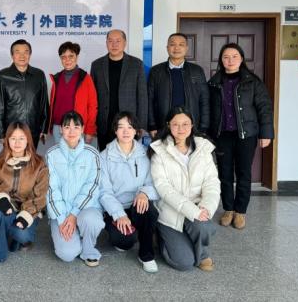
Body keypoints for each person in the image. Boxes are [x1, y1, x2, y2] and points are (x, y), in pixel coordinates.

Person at [208, 43, 274, 230]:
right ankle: (228, 209)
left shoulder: (252, 81)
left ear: (241, 59)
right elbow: (209, 109)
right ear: (221, 60)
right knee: (224, 173)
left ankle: (240, 211)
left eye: (234, 56)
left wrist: (266, 133)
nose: (230, 60)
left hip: (246, 135)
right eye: (226, 57)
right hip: (222, 135)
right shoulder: (213, 83)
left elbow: (264, 107)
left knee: (244, 172)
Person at [149, 107, 220, 272]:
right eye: (175, 124)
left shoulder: (203, 148)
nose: (180, 129)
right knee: (184, 263)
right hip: (170, 211)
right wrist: (192, 211)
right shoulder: (159, 151)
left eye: (185, 124)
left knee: (204, 227)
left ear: (192, 125)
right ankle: (161, 237)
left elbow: (211, 183)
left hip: (196, 207)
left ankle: (202, 253)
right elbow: (164, 189)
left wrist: (206, 207)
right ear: (168, 125)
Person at [99, 111, 159, 273]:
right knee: (124, 241)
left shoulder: (145, 153)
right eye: (121, 127)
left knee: (149, 211)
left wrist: (144, 193)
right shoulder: (104, 157)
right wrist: (119, 214)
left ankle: (146, 255)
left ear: (136, 131)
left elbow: (154, 183)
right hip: (115, 208)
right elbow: (104, 192)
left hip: (137, 203)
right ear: (115, 130)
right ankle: (132, 233)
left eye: (130, 127)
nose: (126, 131)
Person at [0, 122, 49, 264]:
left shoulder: (39, 164)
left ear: (28, 140)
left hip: (29, 210)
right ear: (7, 140)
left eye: (21, 138)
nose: (17, 143)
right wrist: (1, 198)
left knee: (21, 234)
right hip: (7, 207)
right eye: (13, 138)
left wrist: (26, 214)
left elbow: (41, 195)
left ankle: (14, 238)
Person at [46, 111, 104, 267]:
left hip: (86, 209)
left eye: (76, 127)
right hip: (61, 212)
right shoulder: (52, 154)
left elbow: (92, 187)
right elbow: (51, 189)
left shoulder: (92, 154)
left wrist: (74, 214)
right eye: (67, 127)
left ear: (82, 129)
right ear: (61, 130)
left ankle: (89, 249)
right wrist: (61, 218)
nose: (71, 131)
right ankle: (75, 238)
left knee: (90, 220)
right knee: (67, 254)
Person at [91, 29, 148, 151]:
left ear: (125, 43)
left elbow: (142, 96)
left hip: (129, 124)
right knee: (105, 155)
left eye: (118, 41)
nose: (114, 44)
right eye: (110, 41)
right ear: (106, 43)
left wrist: (142, 125)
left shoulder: (136, 64)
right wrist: (93, 124)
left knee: (128, 155)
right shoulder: (96, 65)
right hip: (104, 123)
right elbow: (92, 97)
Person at [148, 33, 209, 137]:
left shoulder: (197, 71)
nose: (176, 48)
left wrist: (203, 127)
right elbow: (150, 100)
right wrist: (152, 125)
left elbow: (204, 100)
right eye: (172, 44)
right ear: (167, 48)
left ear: (186, 48)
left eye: (181, 44)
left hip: (191, 126)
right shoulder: (156, 71)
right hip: (163, 125)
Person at [0, 39, 49, 148]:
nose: (22, 55)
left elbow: (44, 104)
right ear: (12, 55)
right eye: (17, 52)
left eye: (26, 52)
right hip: (11, 130)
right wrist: (0, 133)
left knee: (31, 157)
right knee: (12, 158)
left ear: (30, 54)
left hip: (33, 130)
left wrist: (44, 128)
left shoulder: (39, 75)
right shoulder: (3, 75)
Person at [49, 41, 98, 144]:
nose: (67, 60)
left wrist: (89, 130)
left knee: (76, 155)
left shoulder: (85, 78)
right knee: (60, 154)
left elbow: (92, 106)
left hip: (77, 127)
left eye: (71, 56)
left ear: (77, 57)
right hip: (58, 128)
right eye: (63, 57)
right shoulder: (56, 78)